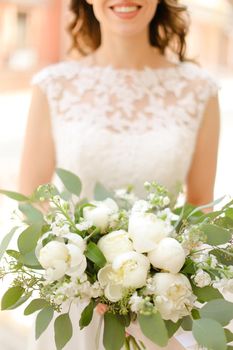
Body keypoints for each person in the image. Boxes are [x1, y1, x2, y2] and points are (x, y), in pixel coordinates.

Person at [19, 0, 220, 349]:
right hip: (77, 306)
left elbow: (201, 205)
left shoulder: (199, 91)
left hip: (160, 312)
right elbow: (34, 201)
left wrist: (158, 280)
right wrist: (86, 275)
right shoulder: (53, 86)